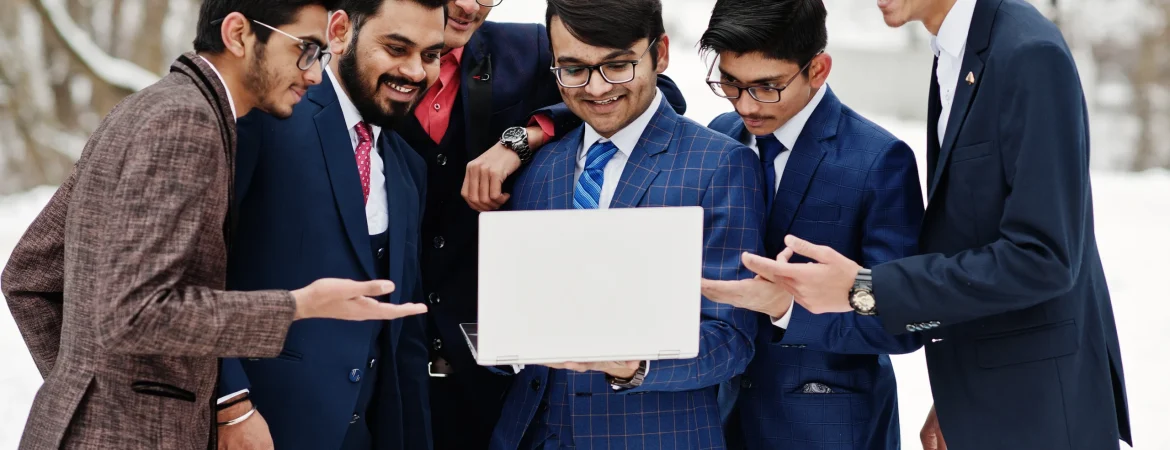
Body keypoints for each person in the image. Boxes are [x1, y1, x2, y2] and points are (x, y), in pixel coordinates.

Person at [0, 1, 429, 448]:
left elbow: (30, 277)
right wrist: (297, 305)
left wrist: (89, 393)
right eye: (305, 49)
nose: (315, 74)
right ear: (239, 34)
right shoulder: (187, 122)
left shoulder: (150, 106)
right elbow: (136, 312)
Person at [721, 0, 1133, 449]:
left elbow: (1046, 256)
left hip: (1038, 408)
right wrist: (954, 389)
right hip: (983, 389)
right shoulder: (960, 51)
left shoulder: (1028, 52)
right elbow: (976, 230)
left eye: (766, 86)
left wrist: (865, 287)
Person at [396, 1, 686, 447]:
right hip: (388, 357)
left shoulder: (529, 45)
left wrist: (525, 136)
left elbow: (656, 89)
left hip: (496, 376)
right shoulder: (362, 53)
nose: (470, 5)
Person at [487, 0, 765, 448]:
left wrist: (635, 365)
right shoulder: (538, 168)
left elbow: (732, 340)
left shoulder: (721, 165)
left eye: (617, 65)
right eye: (573, 69)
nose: (596, 88)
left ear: (662, 53)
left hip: (652, 435)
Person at [214, 1, 445, 449]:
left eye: (431, 55)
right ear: (340, 31)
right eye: (397, 48)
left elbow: (404, 336)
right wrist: (231, 403)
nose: (416, 72)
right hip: (255, 430)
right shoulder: (264, 116)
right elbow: (195, 273)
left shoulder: (407, 169)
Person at [696, 0, 925, 448]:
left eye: (766, 87)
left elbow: (907, 322)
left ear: (818, 69)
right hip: (719, 421)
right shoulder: (720, 134)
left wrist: (787, 309)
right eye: (729, 82)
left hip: (828, 427)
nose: (745, 104)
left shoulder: (879, 160)